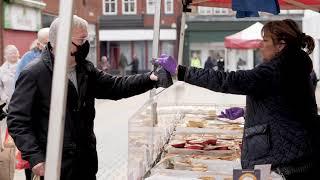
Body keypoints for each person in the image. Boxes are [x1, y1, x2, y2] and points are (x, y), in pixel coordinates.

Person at [7, 15, 172, 180]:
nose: (86, 45)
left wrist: (150, 78)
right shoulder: (34, 73)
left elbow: (116, 86)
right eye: (81, 40)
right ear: (62, 40)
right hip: (53, 167)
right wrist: (35, 157)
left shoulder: (85, 69)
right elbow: (17, 120)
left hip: (85, 164)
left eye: (87, 40)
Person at [159, 19, 320, 179]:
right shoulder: (296, 66)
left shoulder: (275, 70)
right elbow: (286, 107)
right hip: (299, 154)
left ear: (281, 45)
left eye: (265, 41)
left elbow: (229, 80)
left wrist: (182, 72)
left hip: (282, 162)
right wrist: (248, 112)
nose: (260, 45)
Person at [0, 45, 20, 180]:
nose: (13, 54)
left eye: (15, 52)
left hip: (21, 104)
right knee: (5, 132)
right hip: (6, 105)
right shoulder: (1, 70)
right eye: (10, 53)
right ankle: (8, 155)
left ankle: (19, 155)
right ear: (5, 55)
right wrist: (5, 98)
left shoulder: (23, 65)